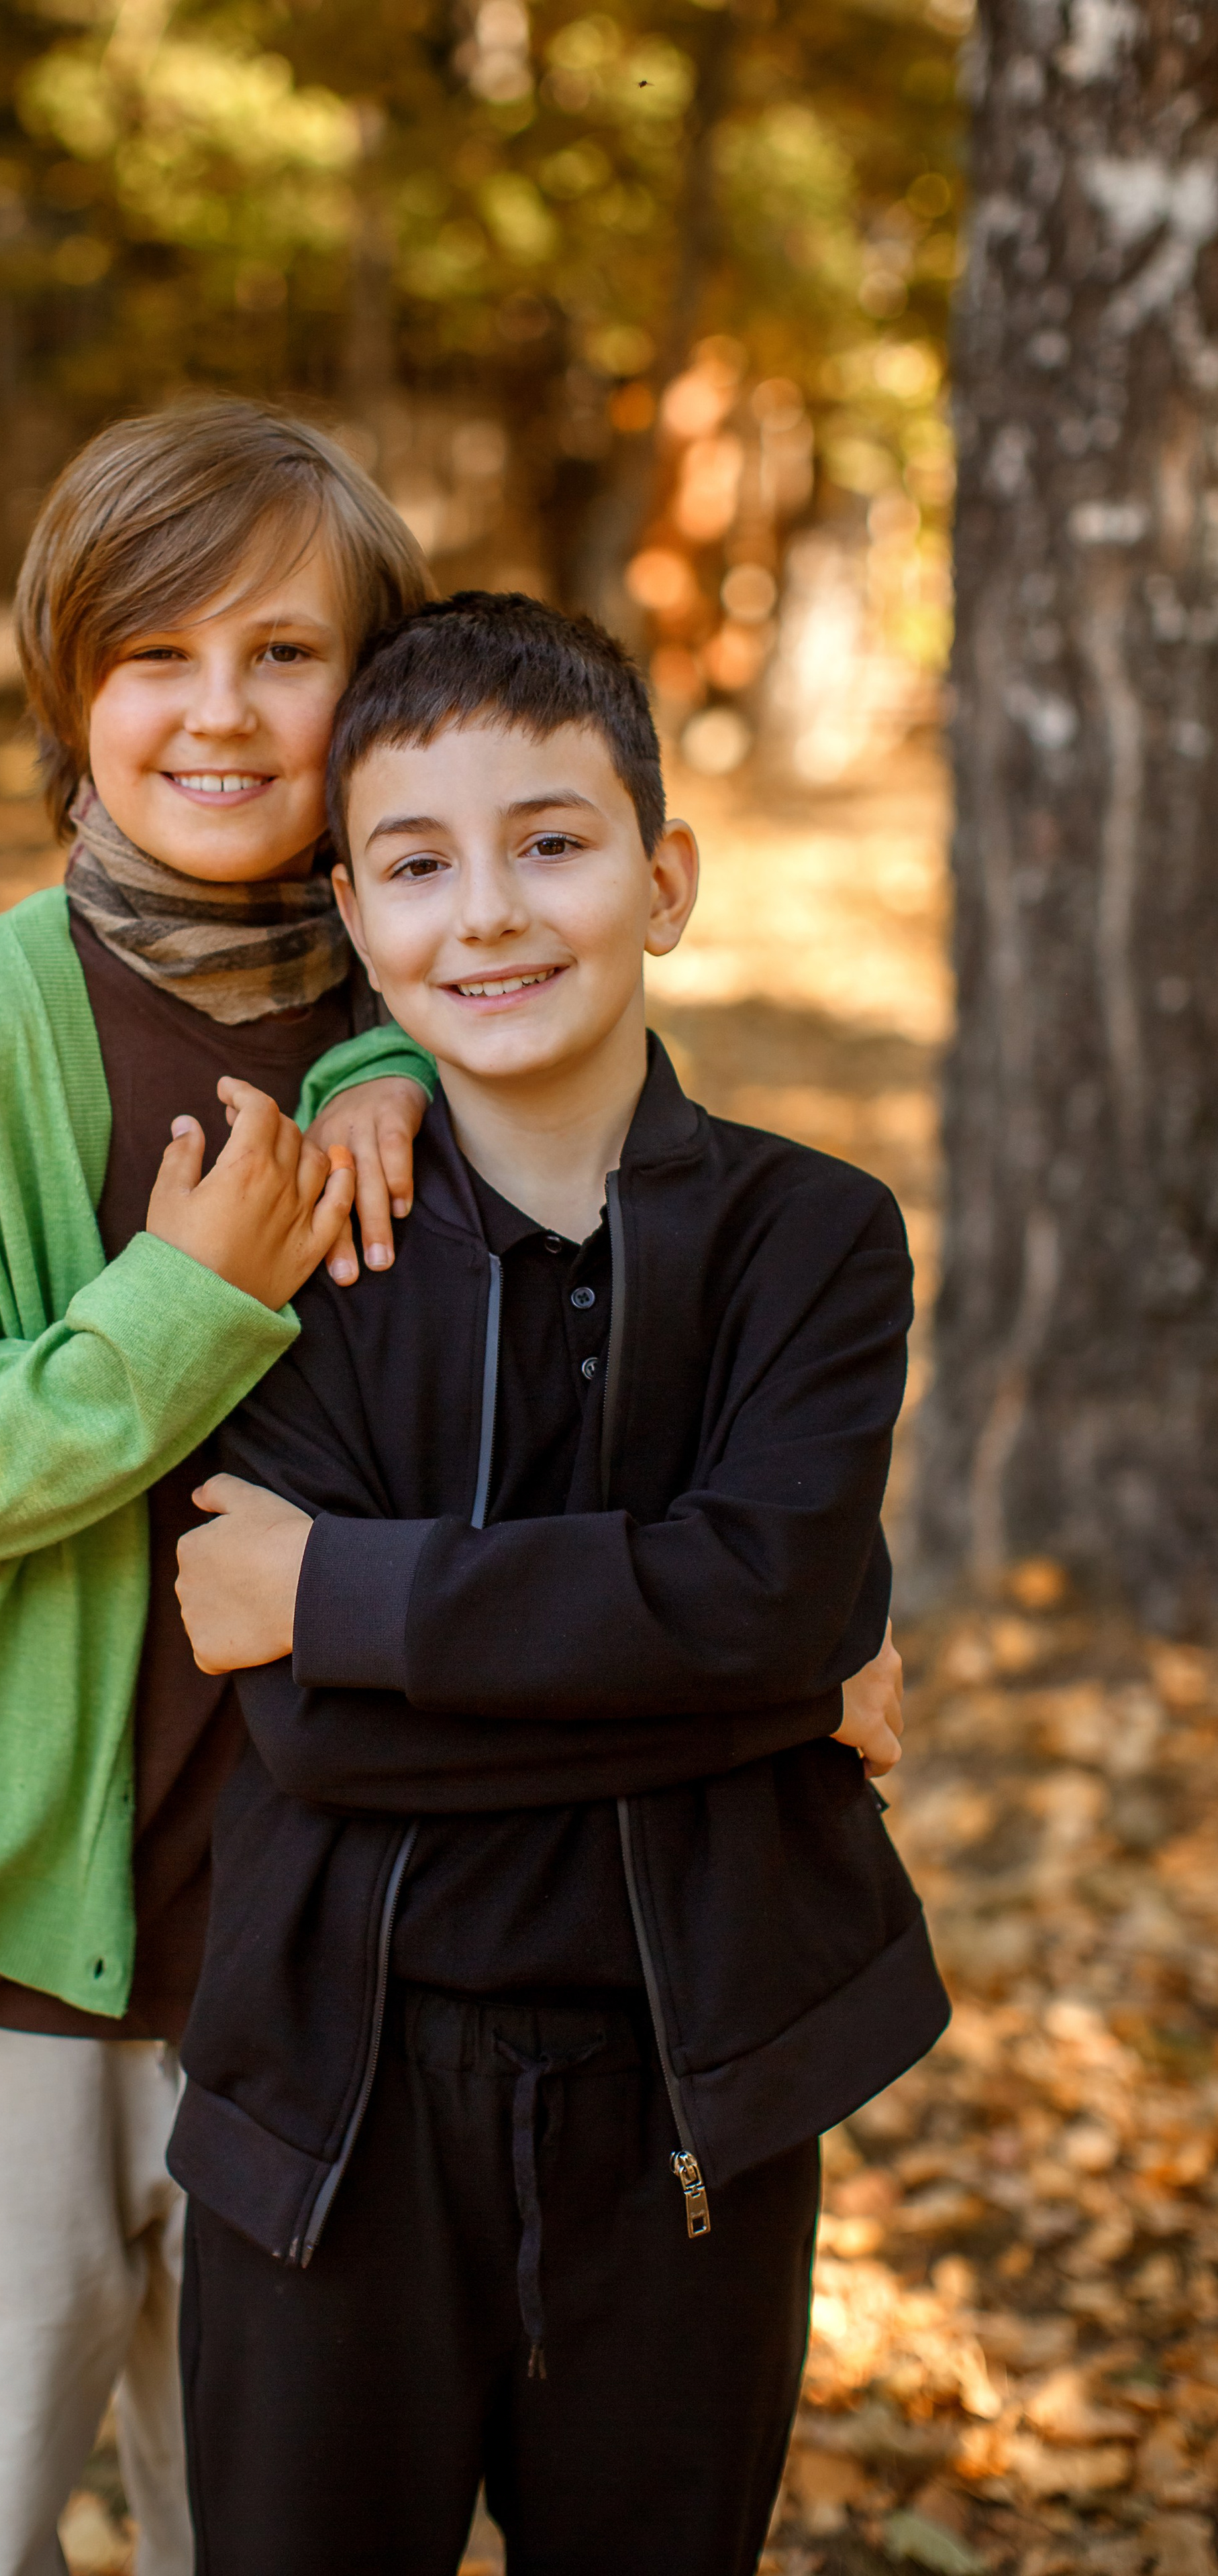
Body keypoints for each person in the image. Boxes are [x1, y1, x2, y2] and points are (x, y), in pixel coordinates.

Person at [171, 590, 950, 2576]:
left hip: (687, 2093)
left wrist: (338, 1590)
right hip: (337, 2106)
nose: (491, 914)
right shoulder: (299, 1254)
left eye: (555, 842)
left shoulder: (813, 1241)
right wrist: (754, 1677)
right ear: (356, 921)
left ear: (663, 879)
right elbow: (322, 1748)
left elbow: (769, 1605)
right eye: (421, 866)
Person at [0, 398, 442, 2576]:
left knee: (266, 2535)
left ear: (380, 688)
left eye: (286, 650)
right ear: (74, 686)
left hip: (331, 1966)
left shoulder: (444, 1002)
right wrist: (177, 1310)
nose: (224, 711)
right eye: (156, 652)